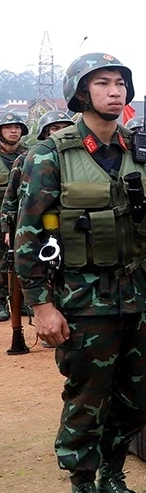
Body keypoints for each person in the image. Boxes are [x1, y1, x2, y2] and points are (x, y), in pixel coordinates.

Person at [15, 53, 146, 493]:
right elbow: (29, 233)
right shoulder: (50, 155)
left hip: (143, 293)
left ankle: (113, 474)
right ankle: (83, 485)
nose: (115, 92)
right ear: (80, 92)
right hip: (82, 298)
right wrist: (41, 305)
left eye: (121, 84)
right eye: (103, 84)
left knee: (136, 394)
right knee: (88, 394)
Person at [3, 112, 73, 331]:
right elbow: (11, 198)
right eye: (54, 128)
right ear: (45, 133)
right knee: (37, 270)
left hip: (67, 227)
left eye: (64, 126)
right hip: (35, 225)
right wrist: (8, 228)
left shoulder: (77, 158)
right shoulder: (25, 159)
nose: (60, 131)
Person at [0, 112, 29, 322]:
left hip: (22, 216)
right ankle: (2, 301)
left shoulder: (30, 155)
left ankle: (23, 300)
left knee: (24, 259)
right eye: (8, 127)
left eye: (17, 127)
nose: (13, 131)